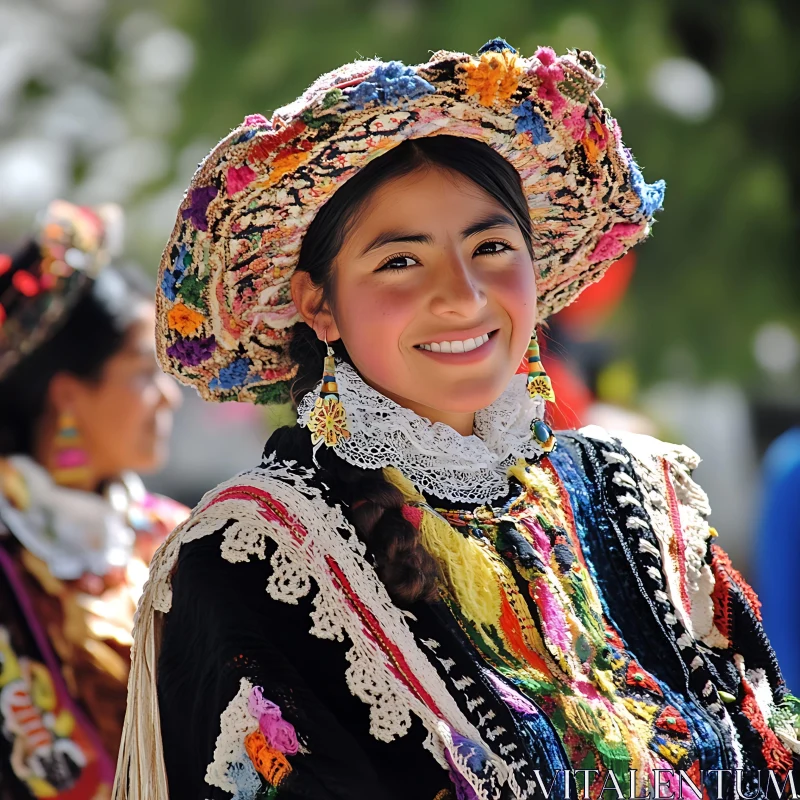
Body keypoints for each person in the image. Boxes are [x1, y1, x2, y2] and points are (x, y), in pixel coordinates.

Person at [115, 41, 800, 800]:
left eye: (493, 246)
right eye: (401, 261)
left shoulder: (642, 498)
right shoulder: (254, 557)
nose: (465, 295)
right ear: (317, 303)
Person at [0, 200, 187, 799]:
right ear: (69, 395)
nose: (170, 397)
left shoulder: (181, 539)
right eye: (144, 371)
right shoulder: (11, 556)